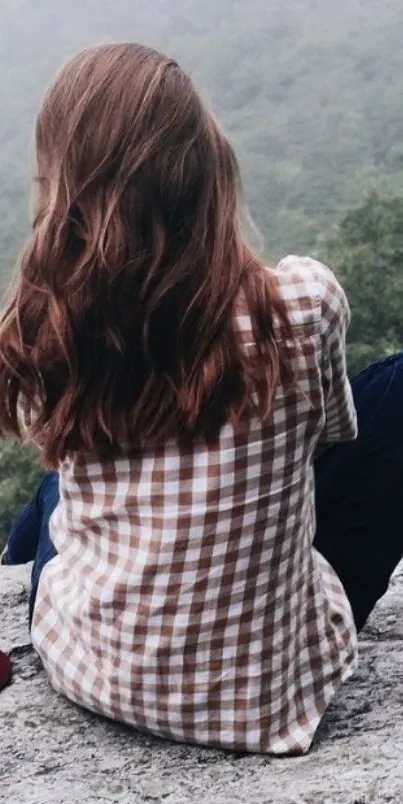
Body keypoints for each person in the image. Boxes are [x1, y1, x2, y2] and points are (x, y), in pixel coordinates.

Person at [0, 43, 402, 754]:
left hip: (89, 667)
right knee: (395, 386)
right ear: (209, 171)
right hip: (267, 698)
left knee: (54, 485)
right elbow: (328, 439)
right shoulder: (302, 303)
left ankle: (14, 566)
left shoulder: (57, 323)